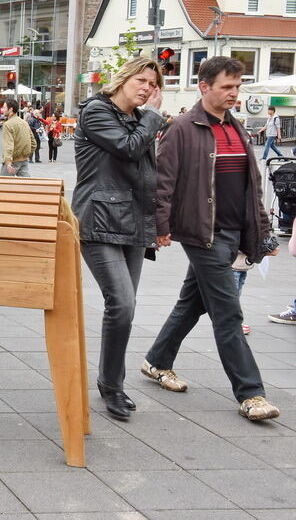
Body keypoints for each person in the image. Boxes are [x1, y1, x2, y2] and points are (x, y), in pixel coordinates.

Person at [144, 56, 281, 422]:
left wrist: (263, 234)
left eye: (237, 87)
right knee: (227, 313)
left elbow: (252, 189)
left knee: (193, 302)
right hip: (204, 234)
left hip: (236, 232)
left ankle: (157, 361)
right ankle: (251, 393)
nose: (233, 94)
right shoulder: (183, 129)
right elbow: (163, 182)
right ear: (204, 87)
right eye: (226, 87)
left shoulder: (236, 128)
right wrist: (161, 227)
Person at [72, 56, 164, 420]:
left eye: (153, 85)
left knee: (124, 309)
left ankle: (112, 381)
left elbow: (146, 171)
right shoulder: (96, 111)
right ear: (123, 79)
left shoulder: (138, 120)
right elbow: (127, 148)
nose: (147, 89)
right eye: (142, 80)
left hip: (133, 223)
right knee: (122, 304)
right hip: (98, 219)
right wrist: (154, 120)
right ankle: (111, 386)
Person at [0, 99, 36, 176]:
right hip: (24, 160)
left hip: (13, 160)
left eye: (4, 107)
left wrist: (8, 162)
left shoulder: (8, 124)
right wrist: (25, 154)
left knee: (2, 185)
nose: (2, 109)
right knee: (25, 185)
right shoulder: (24, 122)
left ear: (11, 109)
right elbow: (33, 143)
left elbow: (8, 145)